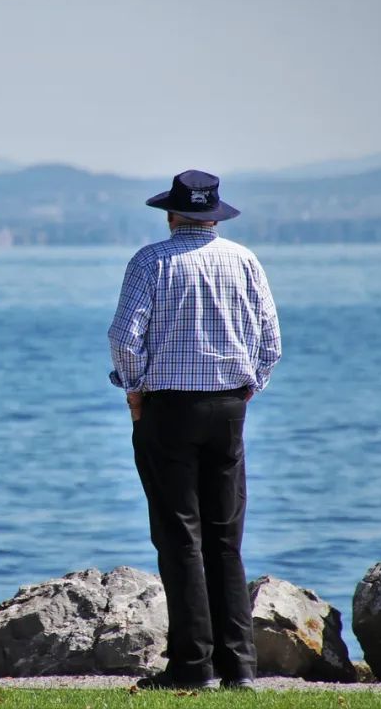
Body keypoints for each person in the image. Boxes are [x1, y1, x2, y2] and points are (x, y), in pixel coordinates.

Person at [108, 169, 281, 691]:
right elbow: (270, 342)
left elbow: (124, 338)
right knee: (225, 540)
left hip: (168, 410)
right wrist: (248, 388)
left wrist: (134, 391)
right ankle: (240, 667)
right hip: (229, 408)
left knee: (179, 537)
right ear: (214, 216)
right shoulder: (244, 260)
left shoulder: (150, 261)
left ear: (171, 214)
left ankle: (192, 666)